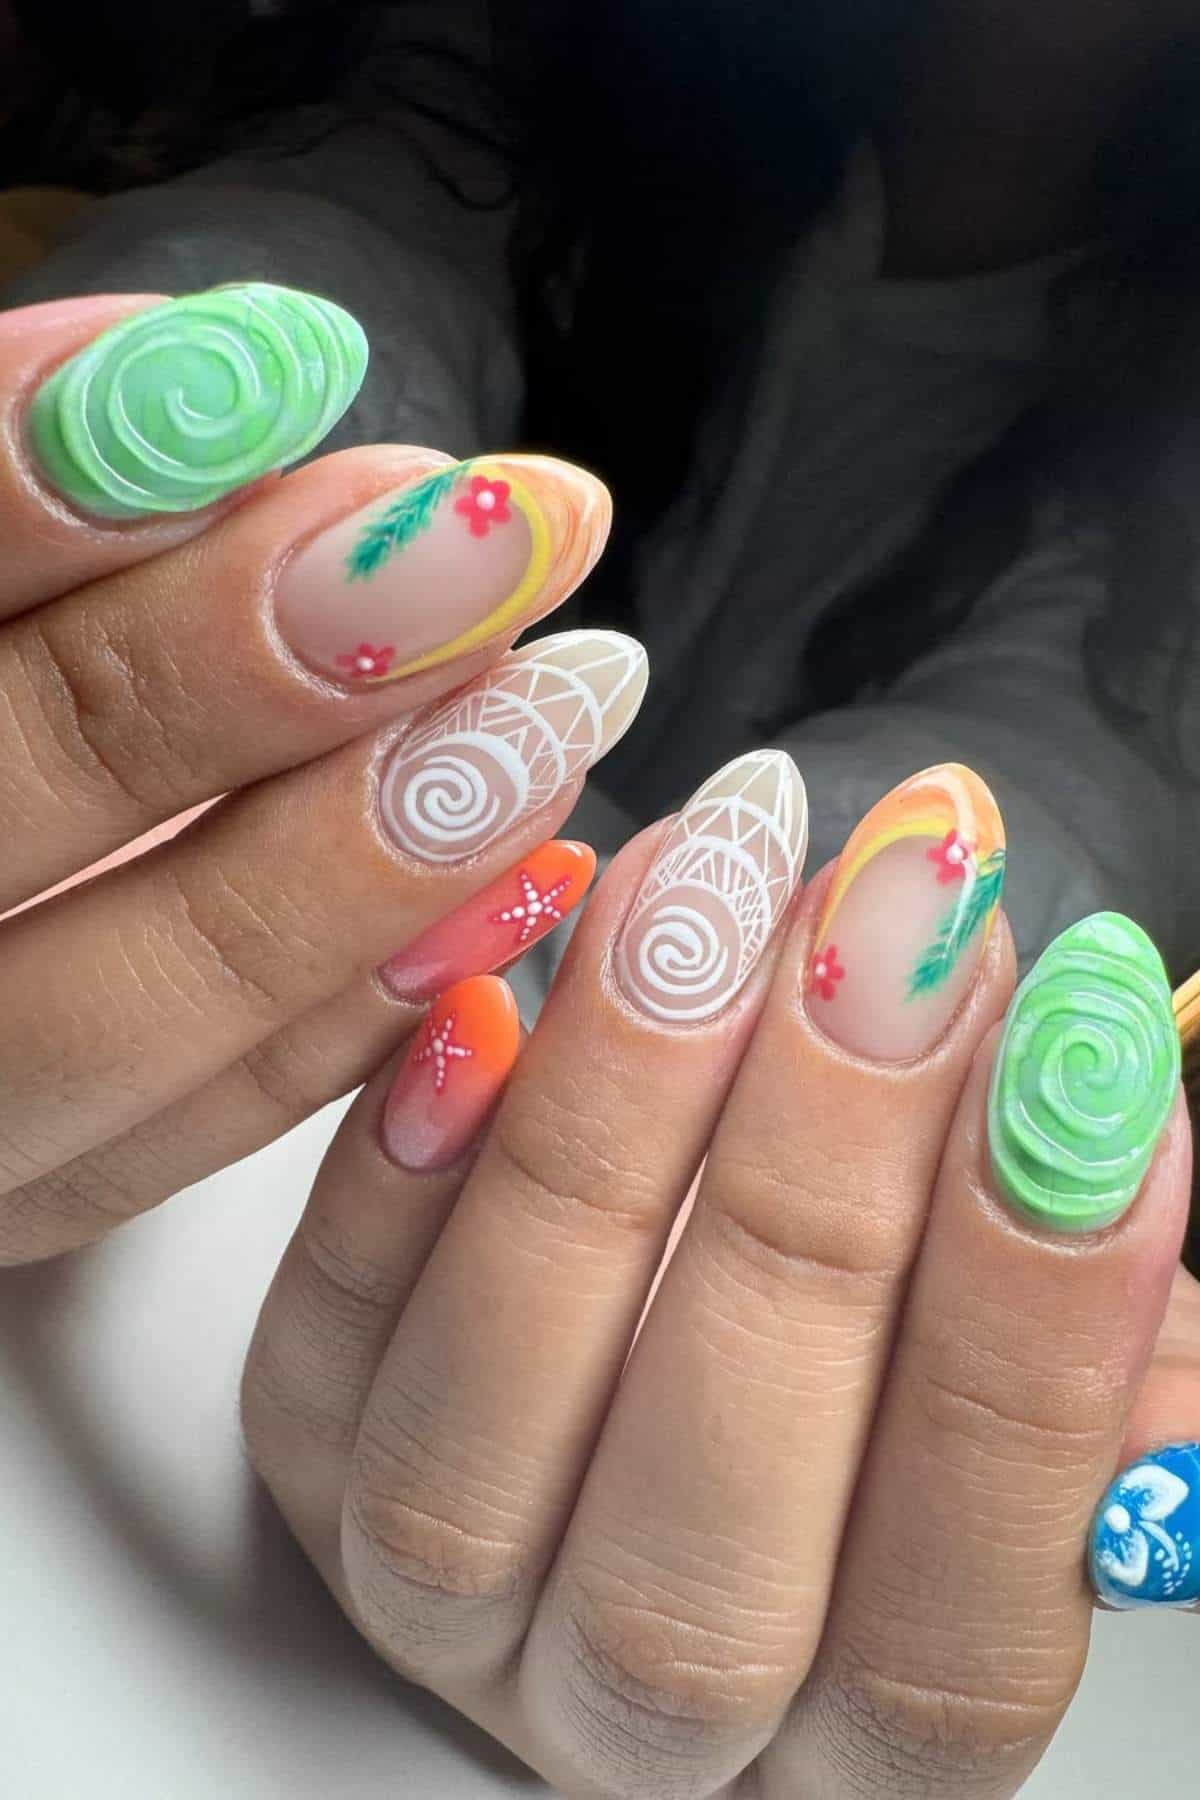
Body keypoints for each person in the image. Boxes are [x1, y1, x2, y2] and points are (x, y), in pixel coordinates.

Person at [1, 3, 1199, 1794]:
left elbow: (1081, 766)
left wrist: (874, 1058)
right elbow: (333, 262)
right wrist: (163, 524)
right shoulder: (518, 63)